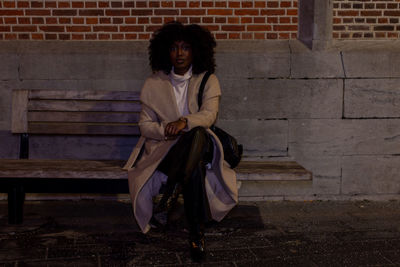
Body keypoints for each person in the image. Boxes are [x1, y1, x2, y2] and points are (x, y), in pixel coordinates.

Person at [123, 21, 238, 262]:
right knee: (192, 169)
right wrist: (167, 129)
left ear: (195, 50)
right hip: (166, 154)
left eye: (186, 47)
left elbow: (208, 116)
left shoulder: (208, 80)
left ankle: (172, 194)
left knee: (196, 134)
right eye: (174, 48)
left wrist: (184, 122)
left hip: (203, 146)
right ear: (166, 51)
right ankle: (197, 234)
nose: (180, 53)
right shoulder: (153, 83)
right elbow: (144, 126)